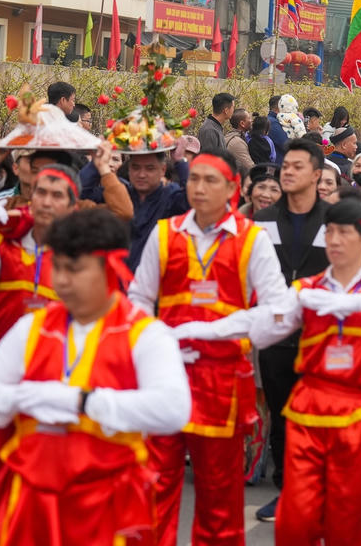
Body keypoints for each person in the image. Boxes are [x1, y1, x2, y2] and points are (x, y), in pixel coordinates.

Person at [0, 208, 191, 545]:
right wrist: (29, 398)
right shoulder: (32, 328)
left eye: (75, 270)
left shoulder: (146, 334)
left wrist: (82, 401)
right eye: (58, 267)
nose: (61, 280)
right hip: (35, 499)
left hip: (108, 503)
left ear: (109, 269)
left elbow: (172, 409)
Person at [128, 148, 287, 546]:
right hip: (165, 376)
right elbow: (138, 300)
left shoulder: (253, 239)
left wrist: (229, 332)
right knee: (153, 481)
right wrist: (149, 345)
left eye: (210, 180)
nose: (198, 188)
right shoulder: (165, 234)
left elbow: (279, 310)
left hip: (223, 381)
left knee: (219, 491)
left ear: (234, 187)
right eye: (194, 179)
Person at [250, 199, 361, 546]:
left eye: (343, 233)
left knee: (349, 520)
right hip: (307, 412)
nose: (333, 240)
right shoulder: (308, 287)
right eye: (329, 232)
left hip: (359, 414)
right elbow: (262, 334)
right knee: (296, 520)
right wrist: (274, 311)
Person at [0, 162, 85, 545]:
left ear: (72, 205)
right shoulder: (5, 241)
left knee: (47, 496)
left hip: (56, 382)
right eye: (41, 192)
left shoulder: (82, 257)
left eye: (57, 195)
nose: (45, 201)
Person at [251, 138, 330, 523]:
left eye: (298, 166)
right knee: (282, 418)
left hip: (323, 337)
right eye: (285, 165)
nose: (288, 171)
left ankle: (320, 490)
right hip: (276, 337)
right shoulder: (260, 222)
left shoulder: (336, 221)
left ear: (317, 174)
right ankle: (287, 491)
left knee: (318, 418)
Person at [225, 109, 255, 173]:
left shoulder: (232, 136)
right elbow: (250, 167)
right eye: (249, 118)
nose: (251, 120)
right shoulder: (237, 142)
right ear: (242, 123)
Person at [266, 96, 289, 161]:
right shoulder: (273, 123)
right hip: (277, 164)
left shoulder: (273, 120)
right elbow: (285, 144)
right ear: (279, 107)